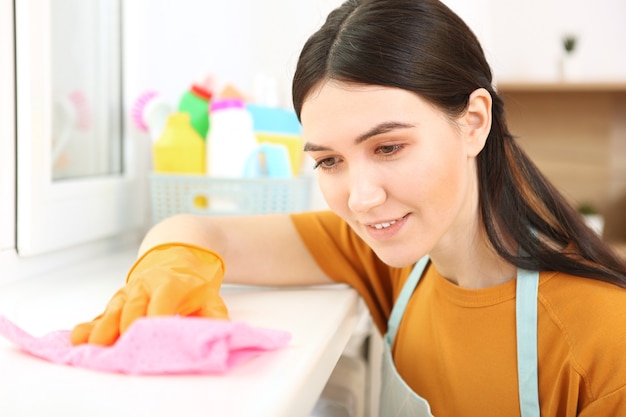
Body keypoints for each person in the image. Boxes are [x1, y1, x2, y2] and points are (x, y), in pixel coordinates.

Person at [71, 0, 626, 415]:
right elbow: (194, 229)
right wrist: (169, 266)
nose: (361, 199)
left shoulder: (603, 339)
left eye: (389, 147)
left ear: (474, 122)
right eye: (330, 162)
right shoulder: (394, 260)